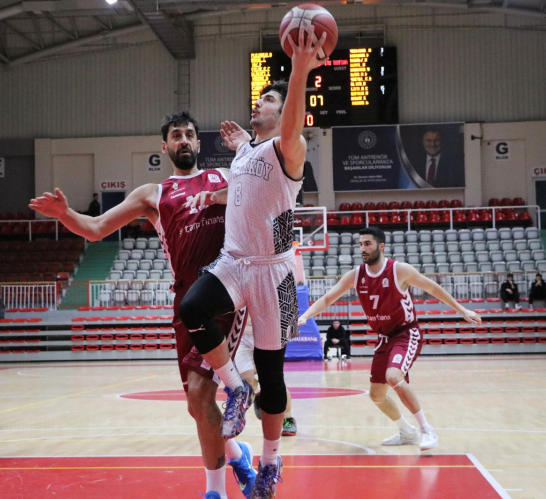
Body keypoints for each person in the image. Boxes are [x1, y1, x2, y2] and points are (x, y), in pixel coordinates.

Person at [29, 111, 256, 499]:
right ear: (165, 147)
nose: (183, 140)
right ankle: (238, 456)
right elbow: (96, 229)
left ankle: (215, 491)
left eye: (189, 134)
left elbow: (260, 196)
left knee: (201, 394)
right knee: (196, 404)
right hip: (185, 299)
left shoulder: (224, 176)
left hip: (224, 293)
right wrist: (65, 214)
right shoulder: (153, 194)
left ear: (198, 143)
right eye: (176, 135)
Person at [179, 26, 328, 499]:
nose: (258, 102)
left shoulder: (290, 149)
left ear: (285, 112)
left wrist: (299, 70)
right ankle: (234, 387)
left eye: (268, 99)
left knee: (272, 371)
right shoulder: (245, 151)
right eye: (260, 98)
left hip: (274, 272)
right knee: (192, 308)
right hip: (234, 261)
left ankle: (269, 462)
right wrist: (219, 190)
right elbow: (245, 184)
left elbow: (289, 127)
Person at [298, 227, 482, 451]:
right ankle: (407, 431)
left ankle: (426, 429)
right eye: (361, 244)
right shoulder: (356, 275)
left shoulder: (399, 270)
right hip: (384, 338)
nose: (363, 248)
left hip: (406, 333)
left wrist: (462, 310)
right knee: (376, 395)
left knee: (393, 376)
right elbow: (327, 299)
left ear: (381, 246)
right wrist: (305, 316)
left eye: (368, 244)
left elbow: (433, 288)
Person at [234, 317, 297, 437]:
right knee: (244, 379)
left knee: (274, 382)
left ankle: (288, 419)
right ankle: (259, 391)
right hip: (241, 335)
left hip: (267, 334)